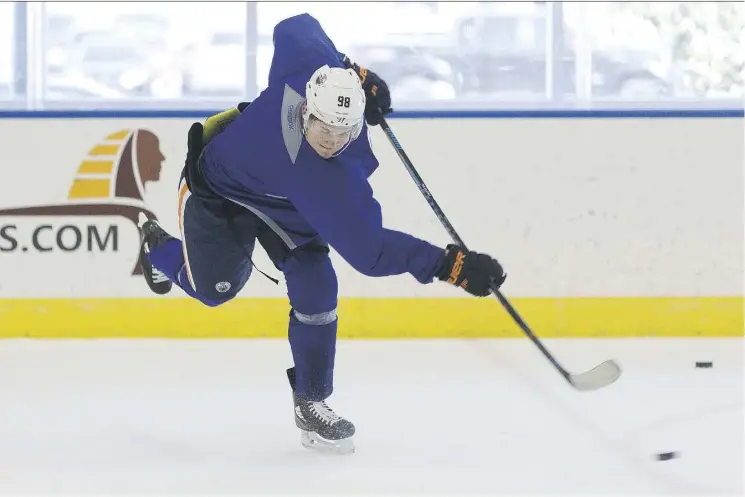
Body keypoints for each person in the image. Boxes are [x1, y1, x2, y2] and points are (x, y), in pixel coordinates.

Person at [137, 13, 507, 455]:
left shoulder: (311, 76)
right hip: (218, 192)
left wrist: (354, 72)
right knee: (215, 290)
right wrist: (453, 266)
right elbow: (372, 254)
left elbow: (297, 25)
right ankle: (157, 248)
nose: (330, 141)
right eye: (321, 127)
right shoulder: (318, 174)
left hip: (284, 203)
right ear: (306, 109)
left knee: (317, 284)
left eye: (342, 131)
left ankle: (311, 400)